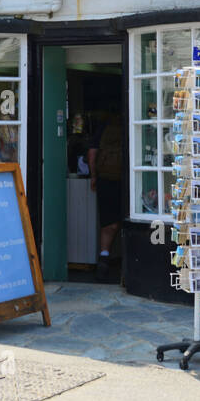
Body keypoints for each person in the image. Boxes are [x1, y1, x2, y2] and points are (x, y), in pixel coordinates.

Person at [86, 110, 124, 282]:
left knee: (108, 222)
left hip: (106, 178)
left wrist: (93, 176)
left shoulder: (103, 128)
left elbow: (92, 153)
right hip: (126, 178)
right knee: (118, 220)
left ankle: (104, 258)